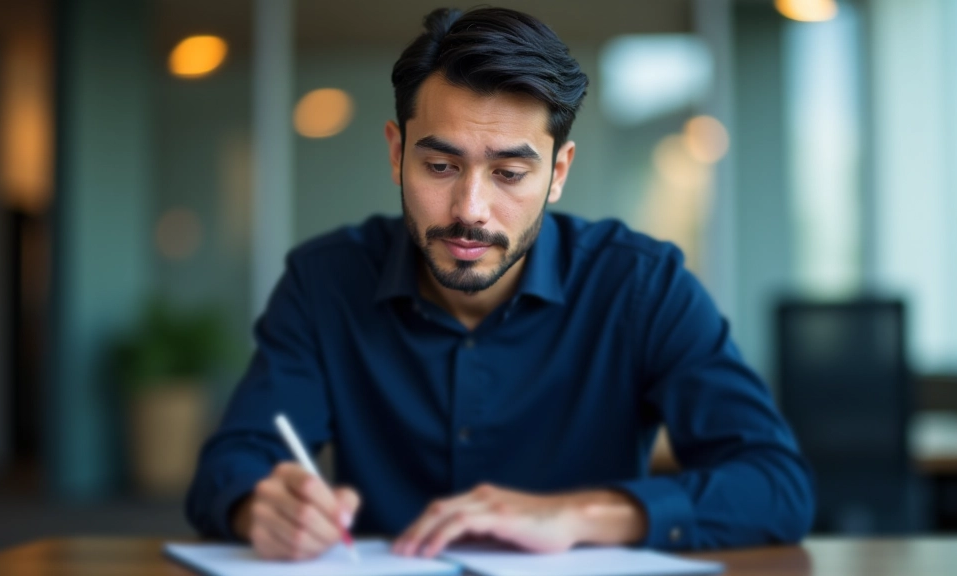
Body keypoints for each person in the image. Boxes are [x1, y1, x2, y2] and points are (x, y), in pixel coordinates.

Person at [185, 6, 814, 561]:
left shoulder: (642, 287)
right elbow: (231, 467)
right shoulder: (324, 282)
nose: (471, 210)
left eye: (510, 173)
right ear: (396, 153)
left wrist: (578, 515)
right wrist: (259, 508)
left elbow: (776, 485)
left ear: (558, 172)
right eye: (440, 165)